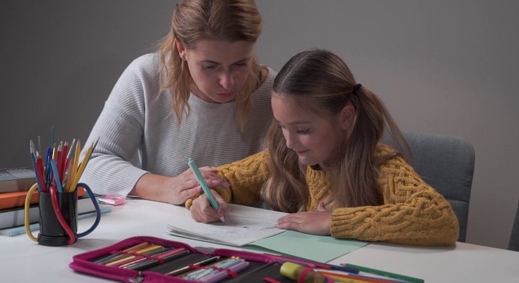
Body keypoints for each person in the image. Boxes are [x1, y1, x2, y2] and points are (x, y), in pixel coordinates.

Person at [189, 49, 459, 246]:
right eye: (282, 126)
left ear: (345, 116)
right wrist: (205, 199)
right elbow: (218, 180)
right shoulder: (283, 155)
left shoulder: (379, 164)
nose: (289, 142)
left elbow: (439, 218)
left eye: (303, 130)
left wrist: (334, 221)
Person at [81, 0, 276, 205]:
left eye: (241, 64)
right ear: (181, 49)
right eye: (210, 66)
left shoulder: (275, 93)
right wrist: (169, 187)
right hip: (163, 231)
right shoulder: (147, 76)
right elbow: (91, 164)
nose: (227, 82)